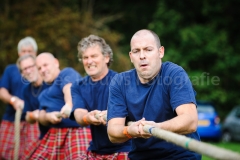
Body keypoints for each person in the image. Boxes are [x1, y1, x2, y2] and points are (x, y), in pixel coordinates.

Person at [107, 29, 202, 160]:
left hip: (180, 156)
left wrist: (158, 127)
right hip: (141, 157)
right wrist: (130, 131)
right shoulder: (119, 82)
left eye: (148, 49)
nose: (142, 56)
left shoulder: (174, 74)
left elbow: (190, 121)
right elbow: (113, 133)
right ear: (131, 56)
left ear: (160, 52)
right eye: (136, 51)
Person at [70, 34, 131, 159]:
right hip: (96, 151)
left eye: (94, 56)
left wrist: (114, 114)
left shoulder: (122, 81)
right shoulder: (78, 86)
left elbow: (134, 112)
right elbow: (79, 115)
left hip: (124, 149)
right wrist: (88, 117)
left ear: (107, 58)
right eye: (85, 57)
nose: (89, 61)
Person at [30, 52, 91, 159]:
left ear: (56, 63)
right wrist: (48, 117)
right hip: (53, 134)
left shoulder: (66, 73)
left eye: (45, 65)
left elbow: (69, 88)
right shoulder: (43, 93)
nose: (43, 70)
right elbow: (41, 115)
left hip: (76, 131)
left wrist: (68, 105)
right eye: (39, 68)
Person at [0, 36, 40, 160]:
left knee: (33, 154)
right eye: (24, 51)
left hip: (34, 120)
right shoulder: (11, 70)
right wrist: (13, 100)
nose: (26, 54)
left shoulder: (41, 69)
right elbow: (2, 91)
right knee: (3, 152)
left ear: (35, 53)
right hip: (12, 118)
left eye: (30, 51)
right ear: (19, 53)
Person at [15, 54, 50, 159]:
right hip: (44, 135)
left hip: (60, 129)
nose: (29, 70)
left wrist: (41, 114)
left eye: (31, 66)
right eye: (25, 69)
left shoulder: (49, 82)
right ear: (22, 73)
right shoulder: (26, 90)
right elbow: (28, 117)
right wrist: (31, 116)